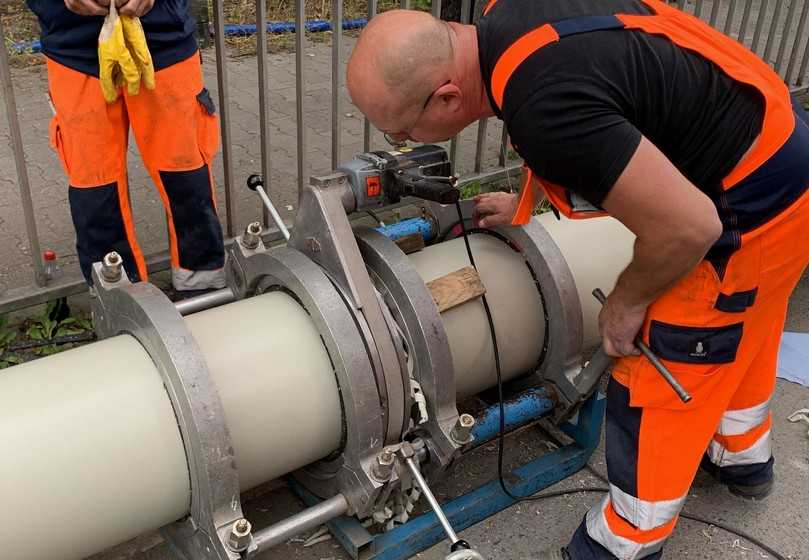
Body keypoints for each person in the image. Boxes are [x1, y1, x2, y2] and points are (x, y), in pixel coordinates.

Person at [346, 1, 809, 558]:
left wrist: (626, 302)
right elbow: (594, 90)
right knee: (748, 324)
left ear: (446, 96)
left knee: (671, 366)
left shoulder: (546, 108)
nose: (403, 143)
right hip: (778, 140)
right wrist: (527, 196)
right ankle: (741, 456)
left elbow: (689, 228)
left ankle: (626, 541)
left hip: (748, 203)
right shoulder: (502, 21)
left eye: (402, 131)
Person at [27, 0, 226, 293]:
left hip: (165, 42)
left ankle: (205, 290)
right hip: (73, 50)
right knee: (94, 192)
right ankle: (119, 299)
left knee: (187, 178)